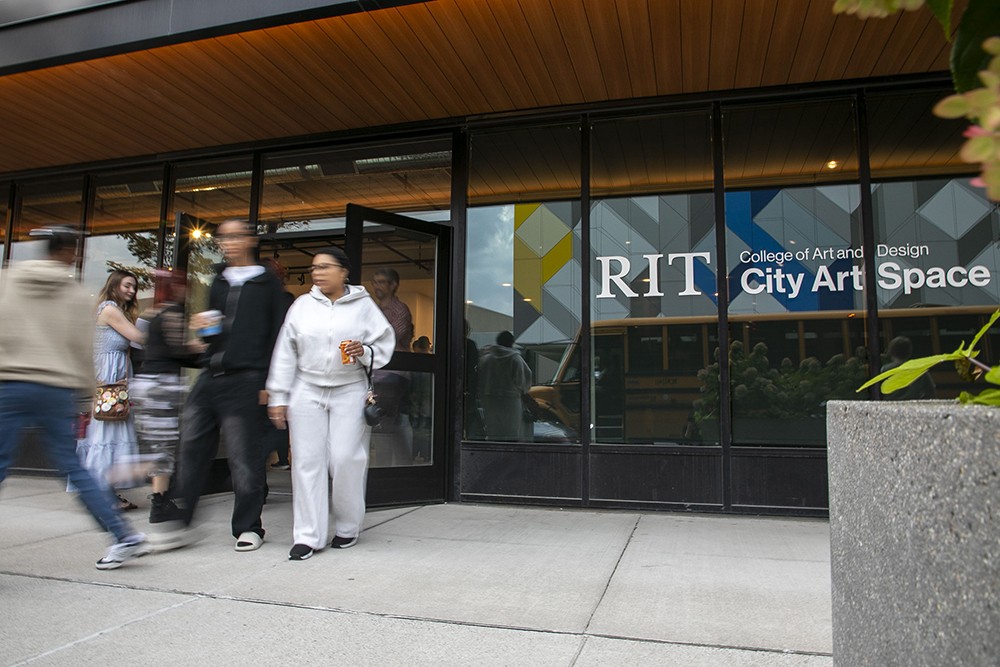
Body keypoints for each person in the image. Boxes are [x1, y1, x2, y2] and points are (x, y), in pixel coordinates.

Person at [0, 225, 150, 569]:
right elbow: (83, 350)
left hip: (11, 383)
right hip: (55, 389)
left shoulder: (9, 281)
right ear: (70, 253)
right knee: (75, 468)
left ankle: (124, 536)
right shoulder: (75, 295)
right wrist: (85, 394)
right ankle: (123, 535)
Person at [267, 246, 394, 561]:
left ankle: (348, 526)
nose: (318, 272)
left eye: (325, 266)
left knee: (345, 458)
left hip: (349, 389)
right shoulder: (301, 306)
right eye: (314, 268)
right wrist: (279, 395)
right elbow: (285, 352)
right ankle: (308, 536)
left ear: (344, 271)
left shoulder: (363, 305)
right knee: (306, 463)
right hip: (306, 389)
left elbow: (385, 344)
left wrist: (362, 350)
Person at [174, 219, 287, 552]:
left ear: (250, 239)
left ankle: (248, 526)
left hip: (247, 377)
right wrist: (204, 329)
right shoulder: (218, 280)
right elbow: (214, 327)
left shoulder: (268, 284)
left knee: (244, 456)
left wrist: (270, 382)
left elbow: (276, 337)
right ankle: (180, 521)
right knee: (191, 447)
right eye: (222, 238)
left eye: (234, 236)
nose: (227, 243)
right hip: (211, 374)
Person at [130, 269, 205, 528]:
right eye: (185, 286)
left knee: (159, 446)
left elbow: (147, 347)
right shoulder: (173, 312)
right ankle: (151, 497)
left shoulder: (152, 314)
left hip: (147, 384)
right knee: (164, 448)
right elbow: (178, 350)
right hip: (162, 387)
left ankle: (160, 501)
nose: (187, 291)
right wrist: (202, 348)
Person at [76, 269, 146, 510]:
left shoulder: (113, 310)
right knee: (106, 432)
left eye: (134, 287)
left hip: (113, 378)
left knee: (108, 432)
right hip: (109, 379)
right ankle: (102, 495)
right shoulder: (109, 309)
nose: (132, 291)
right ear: (115, 284)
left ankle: (103, 493)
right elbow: (138, 337)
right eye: (127, 285)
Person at [260, 257, 294, 471]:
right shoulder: (285, 300)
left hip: (273, 367)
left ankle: (277, 458)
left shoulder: (285, 301)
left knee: (275, 419)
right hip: (264, 369)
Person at [478, 330, 532, 440]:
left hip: (489, 399)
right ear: (512, 342)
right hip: (511, 400)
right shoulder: (515, 359)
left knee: (493, 431)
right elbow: (523, 379)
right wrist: (524, 392)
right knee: (511, 431)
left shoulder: (486, 359)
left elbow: (480, 378)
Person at [881, 336, 936, 400]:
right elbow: (931, 392)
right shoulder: (920, 369)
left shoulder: (884, 370)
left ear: (891, 351)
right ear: (909, 351)